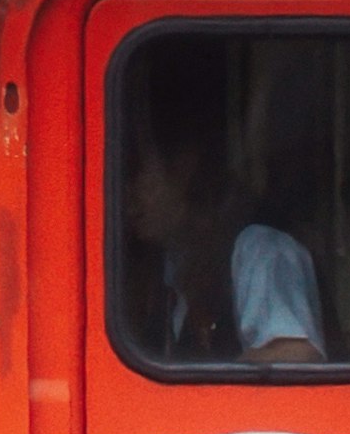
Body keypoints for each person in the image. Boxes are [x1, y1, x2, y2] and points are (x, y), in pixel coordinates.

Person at [125, 46, 326, 364]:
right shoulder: (170, 267)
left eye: (138, 176)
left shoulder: (260, 248)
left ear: (183, 168)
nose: (128, 196)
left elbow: (296, 354)